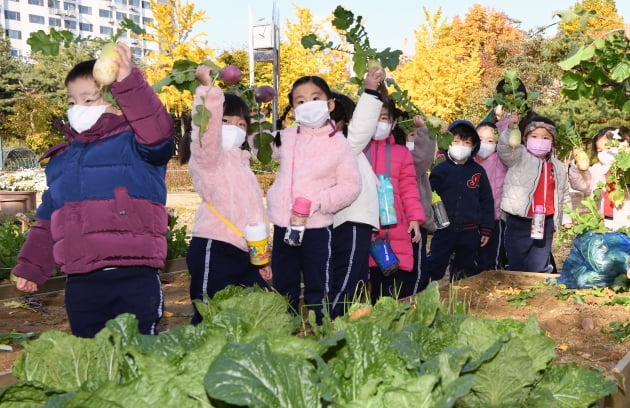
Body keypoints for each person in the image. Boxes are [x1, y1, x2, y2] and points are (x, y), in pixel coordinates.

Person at [11, 43, 175, 338]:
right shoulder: (63, 160)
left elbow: (158, 132)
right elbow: (48, 219)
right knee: (91, 353)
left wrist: (128, 82)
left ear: (116, 101)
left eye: (89, 100)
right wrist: (32, 267)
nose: (78, 110)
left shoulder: (134, 142)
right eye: (72, 102)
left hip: (133, 273)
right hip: (80, 279)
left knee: (139, 353)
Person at [181, 65, 272, 325]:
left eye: (241, 124)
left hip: (247, 253)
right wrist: (208, 92)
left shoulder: (243, 164)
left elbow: (254, 214)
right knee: (211, 314)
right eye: (226, 121)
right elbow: (205, 133)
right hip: (215, 246)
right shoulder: (209, 159)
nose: (235, 128)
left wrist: (262, 257)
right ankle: (198, 362)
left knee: (255, 312)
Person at [266, 75, 361, 321]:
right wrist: (257, 119)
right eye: (300, 101)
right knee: (284, 281)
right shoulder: (286, 136)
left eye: (315, 98)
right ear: (294, 109)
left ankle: (321, 328)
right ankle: (286, 329)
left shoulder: (338, 144)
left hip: (316, 226)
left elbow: (351, 186)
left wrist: (319, 202)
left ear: (329, 104)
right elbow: (263, 151)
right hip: (284, 224)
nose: (308, 104)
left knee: (318, 282)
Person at [329, 67, 384, 318]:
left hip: (353, 221)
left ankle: (342, 324)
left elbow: (361, 127)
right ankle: (334, 325)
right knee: (346, 280)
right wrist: (371, 91)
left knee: (353, 278)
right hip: (347, 221)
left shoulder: (345, 146)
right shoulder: (338, 146)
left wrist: (371, 91)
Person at [365, 97, 424, 302]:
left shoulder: (402, 153)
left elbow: (409, 189)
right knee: (373, 289)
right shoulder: (357, 150)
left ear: (393, 123)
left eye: (383, 118)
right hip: (368, 229)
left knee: (397, 287)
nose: (378, 123)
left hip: (397, 228)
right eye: (373, 117)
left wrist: (415, 218)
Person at [498, 114, 571, 273]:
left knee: (539, 260)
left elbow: (563, 193)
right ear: (525, 139)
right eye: (534, 136)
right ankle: (516, 289)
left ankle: (539, 290)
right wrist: (511, 130)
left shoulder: (557, 166)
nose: (540, 140)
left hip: (546, 221)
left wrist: (566, 218)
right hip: (519, 220)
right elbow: (504, 150)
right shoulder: (518, 156)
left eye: (546, 138)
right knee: (517, 260)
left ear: (552, 142)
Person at [425, 120, 494, 282]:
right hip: (444, 230)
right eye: (456, 141)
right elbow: (428, 195)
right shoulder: (440, 169)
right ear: (448, 142)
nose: (461, 145)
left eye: (467, 142)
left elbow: (486, 201)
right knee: (434, 265)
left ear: (473, 146)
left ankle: (460, 298)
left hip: (470, 231)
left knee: (465, 270)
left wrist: (486, 229)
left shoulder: (478, 171)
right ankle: (425, 294)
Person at [568, 127, 630, 230]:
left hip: (625, 223)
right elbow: (580, 184)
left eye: (609, 148)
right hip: (602, 222)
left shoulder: (627, 168)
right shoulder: (597, 169)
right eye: (599, 150)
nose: (604, 153)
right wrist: (577, 165)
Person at [407, 115, 438, 292]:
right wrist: (423, 129)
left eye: (415, 135)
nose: (414, 140)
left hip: (417, 221)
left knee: (417, 267)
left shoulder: (413, 161)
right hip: (407, 221)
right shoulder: (406, 158)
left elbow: (425, 155)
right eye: (411, 135)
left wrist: (422, 131)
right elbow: (424, 154)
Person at [474, 121, 508, 270]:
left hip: (495, 219)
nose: (484, 144)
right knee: (471, 257)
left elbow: (509, 144)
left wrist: (504, 123)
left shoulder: (501, 160)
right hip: (472, 220)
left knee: (491, 258)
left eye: (490, 140)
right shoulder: (468, 161)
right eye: (480, 139)